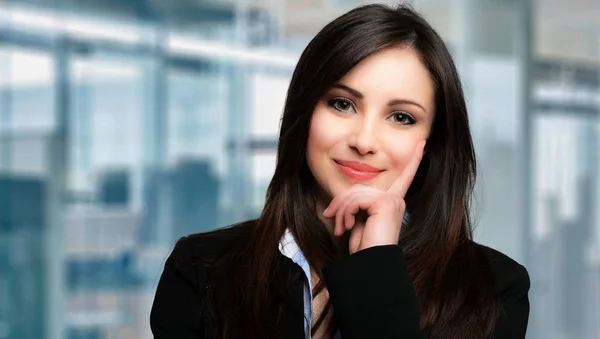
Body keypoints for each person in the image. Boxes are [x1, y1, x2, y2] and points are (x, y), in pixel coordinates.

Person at [150, 4, 530, 339]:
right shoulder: (202, 271)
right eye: (342, 104)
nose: (364, 140)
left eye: (401, 117)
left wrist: (377, 269)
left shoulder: (492, 289)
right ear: (305, 113)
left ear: (432, 143)